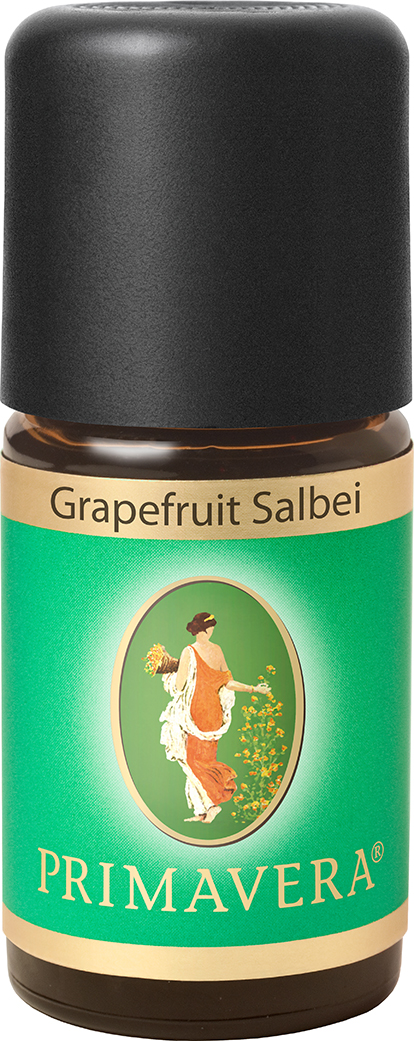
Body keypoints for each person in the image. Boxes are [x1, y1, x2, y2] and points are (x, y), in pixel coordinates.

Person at [159, 612, 270, 823]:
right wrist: (254, 688)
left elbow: (179, 687)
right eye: (211, 627)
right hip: (214, 714)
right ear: (206, 629)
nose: (212, 631)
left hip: (196, 714)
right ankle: (202, 811)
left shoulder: (188, 652)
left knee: (191, 761)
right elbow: (229, 682)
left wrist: (167, 674)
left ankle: (212, 806)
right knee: (205, 761)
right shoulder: (217, 650)